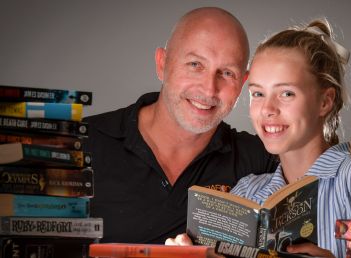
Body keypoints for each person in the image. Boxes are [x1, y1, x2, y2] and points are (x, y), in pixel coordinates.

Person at [166, 19, 351, 258]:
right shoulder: (247, 194)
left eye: (286, 93)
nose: (267, 109)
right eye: (258, 93)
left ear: (325, 101)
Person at [83, 7, 278, 244]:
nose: (209, 89)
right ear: (162, 64)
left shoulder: (262, 159)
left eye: (227, 73)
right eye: (195, 64)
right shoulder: (81, 144)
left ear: (243, 84)